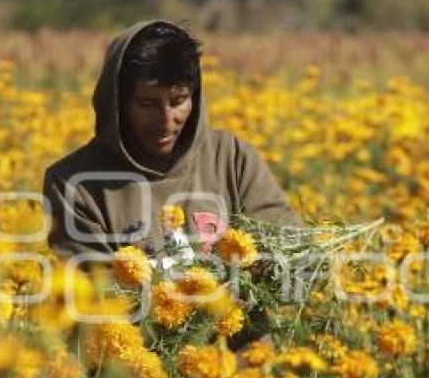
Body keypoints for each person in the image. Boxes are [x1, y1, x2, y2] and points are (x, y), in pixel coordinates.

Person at [42, 19, 298, 349]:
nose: (166, 120)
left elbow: (288, 247)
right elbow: (100, 300)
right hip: (136, 374)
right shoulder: (74, 183)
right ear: (118, 102)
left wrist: (274, 264)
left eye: (178, 101)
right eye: (147, 104)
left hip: (240, 373)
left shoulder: (232, 158)